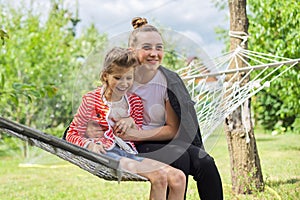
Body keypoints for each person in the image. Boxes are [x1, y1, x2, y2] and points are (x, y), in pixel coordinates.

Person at [116, 17, 224, 200]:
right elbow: (106, 114)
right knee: (179, 157)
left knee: (205, 162)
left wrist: (137, 133)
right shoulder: (121, 79)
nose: (154, 53)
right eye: (147, 47)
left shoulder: (169, 81)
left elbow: (172, 129)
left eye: (159, 47)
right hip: (132, 147)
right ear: (131, 51)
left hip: (161, 139)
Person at [66, 47, 186, 200]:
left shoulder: (135, 102)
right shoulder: (91, 100)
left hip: (129, 153)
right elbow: (72, 134)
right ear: (105, 76)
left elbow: (136, 132)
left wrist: (131, 122)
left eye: (128, 78)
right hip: (106, 153)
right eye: (117, 78)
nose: (124, 83)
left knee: (178, 178)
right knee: (159, 176)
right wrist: (90, 145)